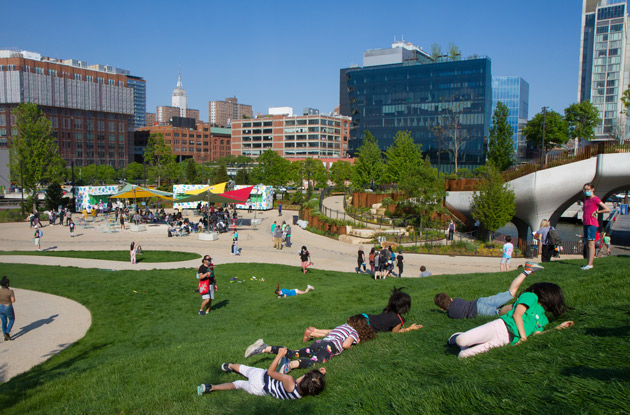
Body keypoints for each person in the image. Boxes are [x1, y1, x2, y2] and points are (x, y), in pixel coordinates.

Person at [447, 282, 574, 358]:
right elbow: (517, 314)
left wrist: (558, 328)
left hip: (505, 340)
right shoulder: (531, 297)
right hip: (500, 326)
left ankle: (469, 344)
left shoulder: (543, 319)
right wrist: (523, 337)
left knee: (463, 356)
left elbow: (537, 334)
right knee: (461, 340)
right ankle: (458, 336)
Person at [244, 314, 375, 373]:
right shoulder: (354, 332)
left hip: (319, 343)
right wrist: (354, 344)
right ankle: (290, 366)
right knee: (315, 362)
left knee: (295, 352)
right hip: (330, 348)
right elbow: (346, 345)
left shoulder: (342, 326)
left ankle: (264, 348)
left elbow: (329, 333)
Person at [197, 348, 326, 400]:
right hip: (259, 390)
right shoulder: (301, 394)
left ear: (305, 377)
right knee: (238, 384)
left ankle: (228, 366)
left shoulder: (289, 380)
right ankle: (210, 387)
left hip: (261, 377)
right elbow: (314, 384)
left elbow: (270, 372)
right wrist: (321, 376)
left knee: (244, 369)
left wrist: (279, 355)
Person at [303, 287, 423, 342]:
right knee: (342, 336)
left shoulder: (387, 310)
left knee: (341, 330)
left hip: (363, 317)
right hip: (364, 326)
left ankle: (315, 331)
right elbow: (395, 333)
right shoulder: (398, 319)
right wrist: (409, 328)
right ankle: (314, 333)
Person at [434, 261, 544, 319]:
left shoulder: (451, 314)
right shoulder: (457, 300)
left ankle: (521, 306)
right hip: (479, 301)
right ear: (451, 298)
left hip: (478, 311)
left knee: (500, 313)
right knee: (510, 293)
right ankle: (527, 270)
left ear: (441, 308)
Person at [581, 183, 611, 270]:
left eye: (588, 189)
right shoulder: (586, 199)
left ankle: (590, 264)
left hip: (592, 223)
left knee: (591, 243)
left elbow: (607, 209)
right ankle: (588, 263)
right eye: (585, 189)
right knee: (587, 243)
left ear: (592, 189)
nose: (586, 191)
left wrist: (597, 212)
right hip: (586, 222)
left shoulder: (595, 199)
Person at [0, 276, 16, 341]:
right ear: (6, 284)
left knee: (4, 321)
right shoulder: (10, 291)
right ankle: (7, 332)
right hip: (7, 306)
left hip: (0, 306)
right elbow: (13, 300)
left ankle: (5, 335)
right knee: (12, 319)